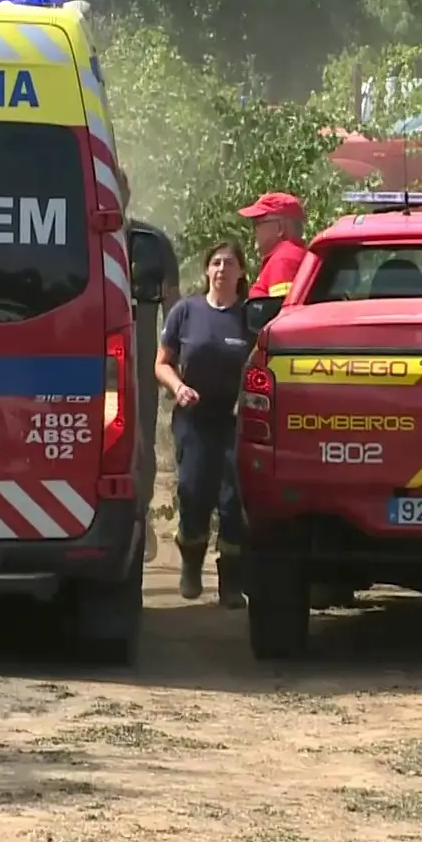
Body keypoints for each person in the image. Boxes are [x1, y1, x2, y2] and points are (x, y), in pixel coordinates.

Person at [155, 241, 252, 608]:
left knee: (232, 501)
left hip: (235, 421)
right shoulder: (186, 312)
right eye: (215, 263)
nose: (222, 269)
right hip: (193, 419)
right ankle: (191, 563)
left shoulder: (248, 317)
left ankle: (230, 582)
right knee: (193, 493)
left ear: (241, 272)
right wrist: (178, 388)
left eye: (229, 263)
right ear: (206, 271)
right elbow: (161, 363)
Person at [127, 218, 181, 564]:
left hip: (142, 365)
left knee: (142, 441)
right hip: (89, 362)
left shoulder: (151, 242)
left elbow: (173, 309)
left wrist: (175, 366)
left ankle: (140, 515)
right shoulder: (75, 227)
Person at [238, 191, 308, 300]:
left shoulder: (284, 259)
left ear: (280, 228)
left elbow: (281, 310)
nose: (254, 231)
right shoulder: (287, 256)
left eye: (257, 224)